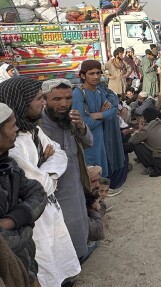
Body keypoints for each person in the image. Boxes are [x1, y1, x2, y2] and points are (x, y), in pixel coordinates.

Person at [0, 77, 81, 286]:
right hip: (33, 218)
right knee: (41, 266)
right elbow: (38, 185)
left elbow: (59, 154)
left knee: (56, 259)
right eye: (38, 98)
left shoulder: (32, 129)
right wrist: (46, 167)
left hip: (49, 209)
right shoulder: (13, 145)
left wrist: (46, 170)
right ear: (21, 100)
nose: (43, 103)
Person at [39, 79, 92, 260]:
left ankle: (80, 256)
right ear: (44, 99)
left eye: (68, 98)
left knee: (79, 225)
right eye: (57, 99)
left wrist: (81, 126)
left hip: (75, 183)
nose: (64, 104)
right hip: (55, 191)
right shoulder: (38, 126)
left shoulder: (71, 118)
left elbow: (89, 142)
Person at [0, 103, 48, 286]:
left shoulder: (8, 165)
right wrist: (24, 229)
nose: (18, 128)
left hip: (25, 263)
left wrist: (12, 221)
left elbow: (38, 193)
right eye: (12, 125)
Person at [72, 60, 128, 191]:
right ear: (83, 76)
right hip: (89, 142)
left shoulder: (99, 91)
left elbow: (113, 110)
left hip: (102, 138)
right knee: (92, 173)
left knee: (103, 169)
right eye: (91, 73)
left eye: (98, 73)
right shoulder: (78, 94)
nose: (96, 76)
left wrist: (98, 115)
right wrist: (103, 115)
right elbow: (84, 124)